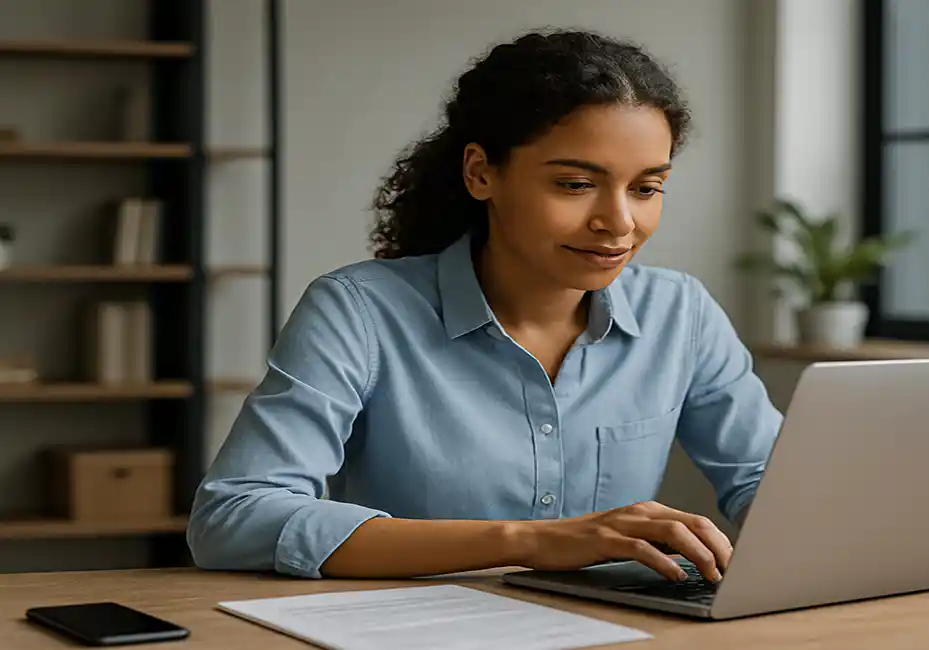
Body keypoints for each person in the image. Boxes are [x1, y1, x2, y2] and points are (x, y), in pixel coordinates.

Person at [186, 29, 782, 584]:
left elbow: (771, 481)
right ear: (481, 174)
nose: (618, 223)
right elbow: (235, 517)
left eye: (646, 188)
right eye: (575, 184)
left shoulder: (680, 313)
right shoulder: (359, 312)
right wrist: (525, 541)